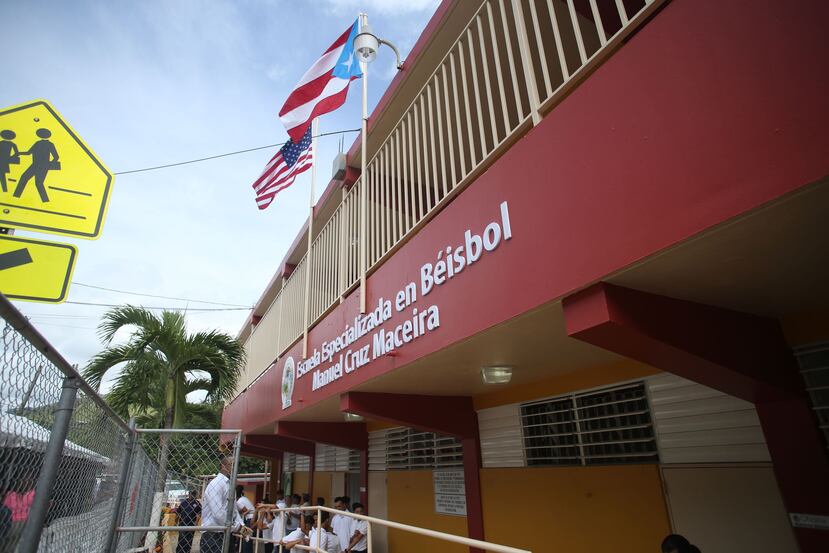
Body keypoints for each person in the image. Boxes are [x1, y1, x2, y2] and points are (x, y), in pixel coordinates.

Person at [200, 456, 243, 553]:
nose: (236, 468)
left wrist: (241, 525)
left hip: (226, 532)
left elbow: (234, 510)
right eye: (232, 465)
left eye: (237, 466)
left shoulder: (230, 485)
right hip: (212, 534)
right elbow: (218, 513)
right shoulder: (216, 483)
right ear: (223, 466)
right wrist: (236, 527)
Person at [14, 128, 59, 203]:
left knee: (38, 183)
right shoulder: (37, 143)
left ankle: (45, 201)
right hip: (34, 165)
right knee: (24, 177)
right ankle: (16, 196)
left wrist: (48, 165)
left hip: (43, 166)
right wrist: (19, 153)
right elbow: (29, 152)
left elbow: (56, 157)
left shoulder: (50, 144)